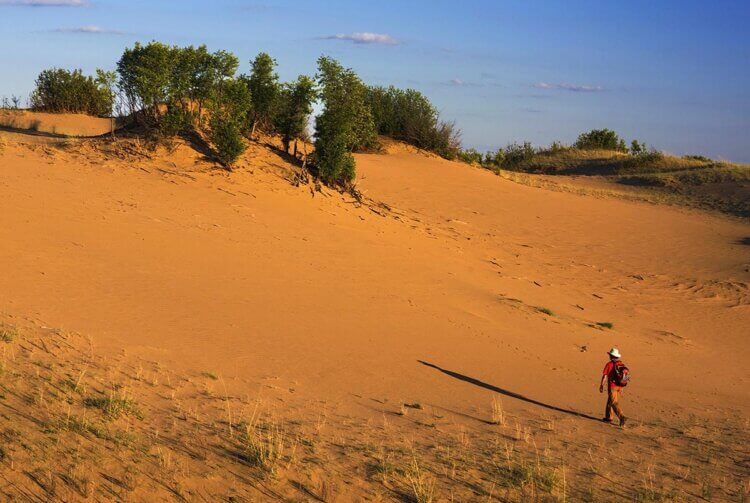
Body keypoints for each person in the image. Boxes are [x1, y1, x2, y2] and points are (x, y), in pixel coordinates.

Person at [600, 347, 627, 427]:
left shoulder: (609, 364)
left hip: (612, 386)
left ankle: (622, 417)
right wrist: (622, 387)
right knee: (610, 401)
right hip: (619, 386)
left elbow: (604, 376)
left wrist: (601, 385)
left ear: (611, 356)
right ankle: (609, 417)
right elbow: (624, 377)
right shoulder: (621, 364)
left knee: (613, 402)